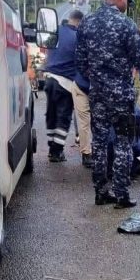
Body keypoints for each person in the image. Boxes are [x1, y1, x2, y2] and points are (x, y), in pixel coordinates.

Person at [76, 0, 140, 208]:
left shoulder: (86, 23)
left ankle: (100, 192)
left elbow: (80, 62)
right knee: (123, 143)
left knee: (98, 143)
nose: (127, 3)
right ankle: (121, 195)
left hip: (97, 93)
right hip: (121, 95)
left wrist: (98, 78)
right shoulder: (126, 25)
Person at [59, 10, 92, 168]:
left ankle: (87, 153)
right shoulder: (100, 43)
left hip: (81, 84)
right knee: (92, 122)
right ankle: (89, 152)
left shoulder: (79, 40)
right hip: (89, 86)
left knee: (84, 122)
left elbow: (77, 63)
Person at [43, 17, 77, 162]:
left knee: (51, 114)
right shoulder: (77, 37)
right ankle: (57, 152)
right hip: (65, 82)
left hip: (49, 79)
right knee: (63, 117)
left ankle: (51, 147)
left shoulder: (55, 32)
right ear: (78, 22)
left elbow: (47, 51)